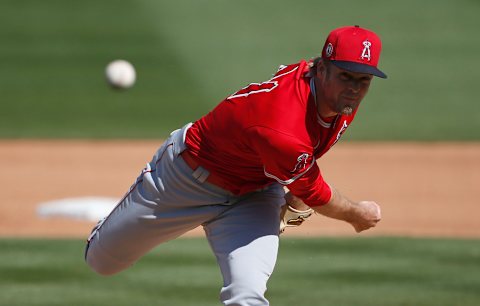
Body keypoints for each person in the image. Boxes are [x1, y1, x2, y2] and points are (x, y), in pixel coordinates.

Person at [85, 25, 386, 306]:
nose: (354, 88)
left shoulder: (339, 101)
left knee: (247, 294)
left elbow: (309, 154)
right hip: (185, 180)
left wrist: (294, 190)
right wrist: (357, 214)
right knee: (102, 262)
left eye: (363, 80)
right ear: (321, 69)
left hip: (253, 196)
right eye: (345, 76)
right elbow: (315, 193)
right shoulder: (281, 127)